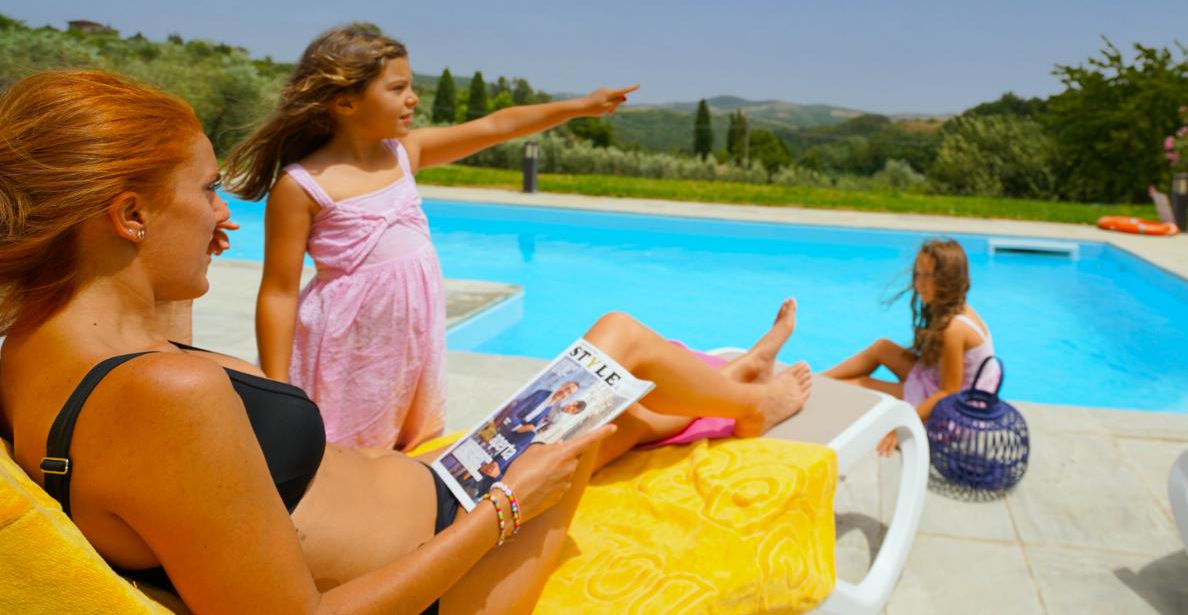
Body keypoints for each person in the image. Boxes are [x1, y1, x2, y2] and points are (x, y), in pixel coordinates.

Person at [0, 70, 813, 613]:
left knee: (607, 407)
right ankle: (749, 398)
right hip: (450, 566)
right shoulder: (163, 399)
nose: (227, 217)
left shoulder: (39, 351)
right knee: (612, 363)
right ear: (130, 216)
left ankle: (731, 384)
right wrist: (506, 506)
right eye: (209, 190)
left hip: (438, 487)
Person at [223, 23, 637, 450]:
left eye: (411, 86)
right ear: (346, 102)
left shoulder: (404, 154)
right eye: (398, 88)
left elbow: (496, 126)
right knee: (345, 450)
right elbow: (278, 292)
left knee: (406, 442)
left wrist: (578, 106)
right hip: (346, 349)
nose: (413, 99)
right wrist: (277, 389)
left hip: (406, 342)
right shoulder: (302, 185)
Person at [822, 238, 999, 455]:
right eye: (918, 275)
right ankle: (817, 380)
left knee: (862, 383)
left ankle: (817, 389)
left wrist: (902, 427)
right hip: (936, 379)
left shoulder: (953, 329)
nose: (920, 284)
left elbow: (947, 394)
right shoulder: (956, 308)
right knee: (883, 347)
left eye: (929, 276)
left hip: (951, 405)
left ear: (948, 280)